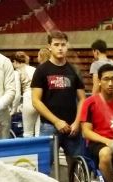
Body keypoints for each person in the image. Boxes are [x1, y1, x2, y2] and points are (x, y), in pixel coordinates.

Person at [31, 31, 86, 167]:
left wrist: (77, 122)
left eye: (63, 45)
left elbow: (83, 100)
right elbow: (36, 101)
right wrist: (56, 121)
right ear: (49, 46)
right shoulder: (41, 70)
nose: (60, 48)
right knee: (44, 166)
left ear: (67, 46)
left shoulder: (74, 70)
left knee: (76, 167)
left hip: (72, 127)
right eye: (56, 45)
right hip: (49, 126)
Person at [10, 51, 39, 137]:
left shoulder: (17, 72)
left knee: (28, 133)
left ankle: (29, 151)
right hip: (40, 99)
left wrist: (13, 109)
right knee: (39, 134)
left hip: (28, 98)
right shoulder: (35, 69)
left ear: (15, 61)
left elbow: (17, 94)